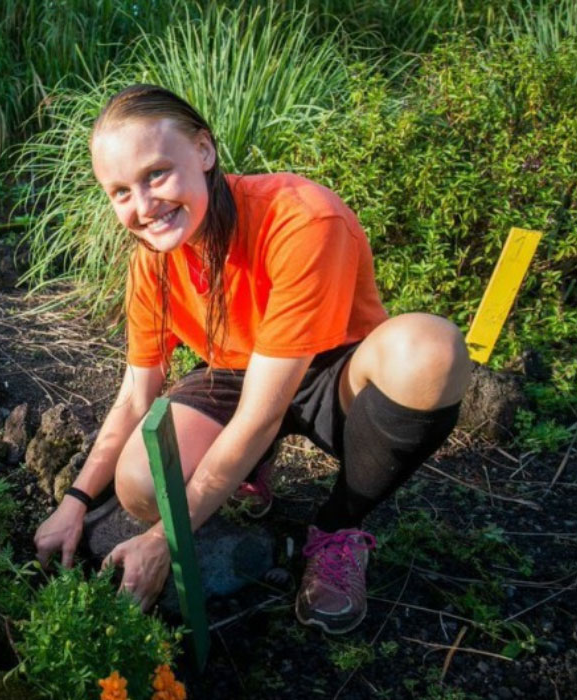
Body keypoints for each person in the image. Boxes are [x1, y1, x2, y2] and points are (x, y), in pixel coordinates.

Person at [33, 84, 471, 634]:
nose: (143, 207)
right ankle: (247, 471)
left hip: (333, 371)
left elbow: (263, 410)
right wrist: (75, 500)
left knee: (431, 350)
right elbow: (134, 396)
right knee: (143, 487)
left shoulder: (301, 220)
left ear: (204, 151)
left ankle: (337, 528)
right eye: (120, 191)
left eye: (156, 174)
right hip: (234, 372)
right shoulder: (151, 263)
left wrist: (167, 541)